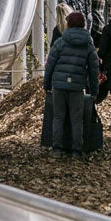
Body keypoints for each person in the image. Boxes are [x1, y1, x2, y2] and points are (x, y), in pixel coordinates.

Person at [45, 11, 100, 157]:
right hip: (76, 86)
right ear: (83, 25)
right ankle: (77, 150)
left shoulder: (60, 42)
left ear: (68, 24)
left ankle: (57, 149)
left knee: (58, 117)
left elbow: (50, 64)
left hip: (59, 85)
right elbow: (94, 69)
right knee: (77, 119)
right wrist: (94, 91)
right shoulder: (88, 44)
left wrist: (47, 85)